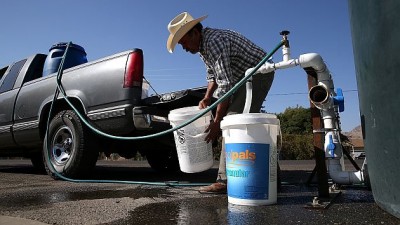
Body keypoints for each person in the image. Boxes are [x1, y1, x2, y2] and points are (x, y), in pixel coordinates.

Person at [167, 12, 274, 193]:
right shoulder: (203, 46)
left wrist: (217, 122)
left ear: (194, 33)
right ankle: (272, 177)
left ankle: (224, 180)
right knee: (238, 121)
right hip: (242, 77)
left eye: (183, 41)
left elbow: (225, 84)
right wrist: (207, 97)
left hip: (260, 72)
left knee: (231, 120)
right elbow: (212, 75)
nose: (183, 47)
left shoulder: (214, 42)